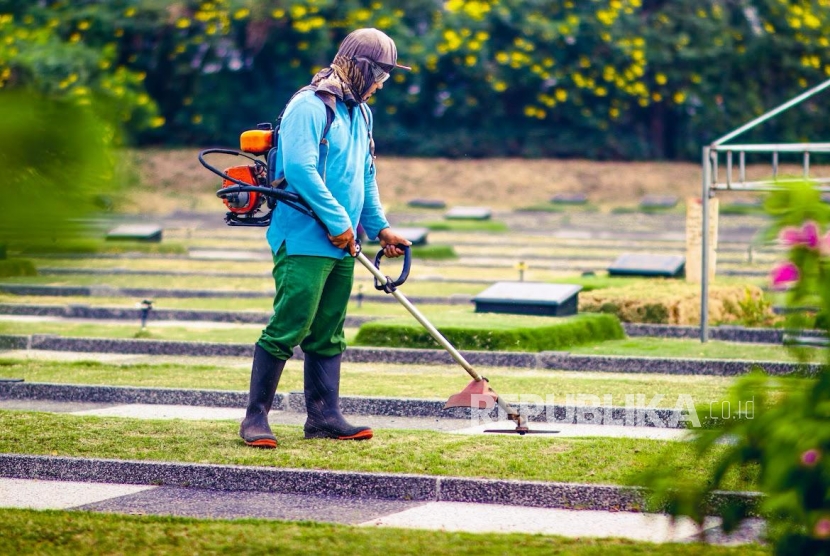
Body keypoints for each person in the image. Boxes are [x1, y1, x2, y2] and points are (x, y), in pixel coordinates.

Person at [239, 28, 412, 448]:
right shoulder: (310, 106)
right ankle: (255, 418)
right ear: (361, 67)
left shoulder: (361, 113)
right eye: (381, 75)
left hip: (343, 241)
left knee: (329, 330)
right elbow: (300, 170)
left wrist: (379, 226)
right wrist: (338, 221)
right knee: (290, 323)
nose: (381, 85)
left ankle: (324, 416)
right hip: (304, 237)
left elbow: (364, 176)